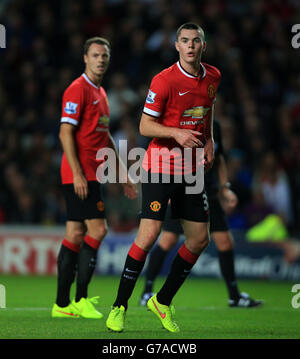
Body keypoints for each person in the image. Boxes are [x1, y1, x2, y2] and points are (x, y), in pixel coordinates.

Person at [106, 22, 220, 333]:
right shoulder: (164, 80)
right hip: (160, 165)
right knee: (149, 235)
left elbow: (207, 111)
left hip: (192, 168)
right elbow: (144, 126)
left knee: (199, 239)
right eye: (185, 41)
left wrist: (208, 140)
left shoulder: (213, 76)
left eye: (196, 40)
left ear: (203, 46)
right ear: (177, 46)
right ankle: (119, 306)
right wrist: (176, 133)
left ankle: (162, 301)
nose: (191, 46)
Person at [52, 37, 136, 319]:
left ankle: (62, 305)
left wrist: (122, 171)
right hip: (80, 173)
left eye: (105, 55)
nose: (101, 59)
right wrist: (77, 173)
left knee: (75, 234)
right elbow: (65, 132)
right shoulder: (78, 90)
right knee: (98, 230)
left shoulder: (100, 92)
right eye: (96, 55)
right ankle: (81, 299)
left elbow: (104, 135)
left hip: (91, 172)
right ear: (85, 58)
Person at [140, 121, 264, 308]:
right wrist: (168, 189)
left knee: (225, 242)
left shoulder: (214, 126)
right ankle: (147, 291)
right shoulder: (180, 122)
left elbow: (219, 158)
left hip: (209, 190)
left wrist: (224, 188)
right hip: (186, 188)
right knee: (168, 239)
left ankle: (234, 296)